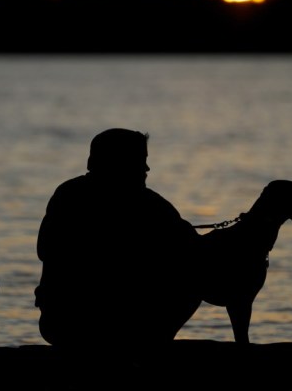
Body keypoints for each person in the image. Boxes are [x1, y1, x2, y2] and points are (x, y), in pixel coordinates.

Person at [35, 128, 202, 350]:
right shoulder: (151, 205)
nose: (146, 169)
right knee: (195, 275)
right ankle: (153, 346)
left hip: (58, 323)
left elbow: (43, 249)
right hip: (119, 325)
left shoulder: (67, 193)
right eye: (140, 160)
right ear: (121, 162)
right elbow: (194, 249)